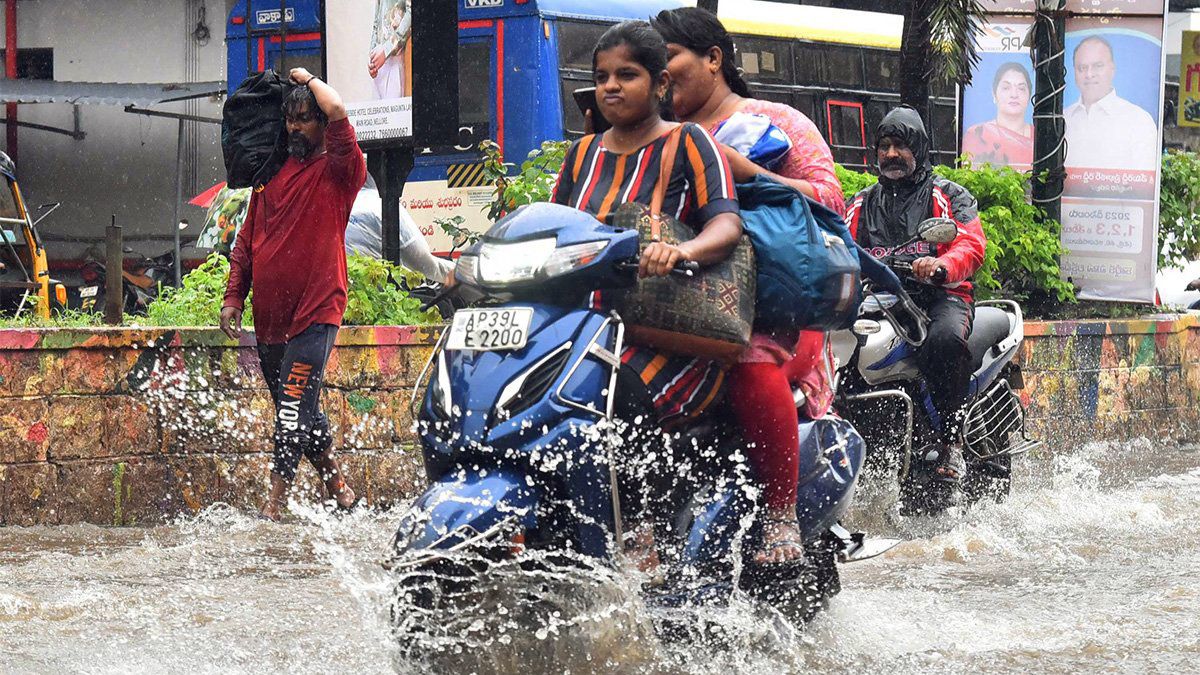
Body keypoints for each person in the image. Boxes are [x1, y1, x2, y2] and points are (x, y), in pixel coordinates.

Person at [651, 6, 842, 564]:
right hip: (672, 301)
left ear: (713, 59)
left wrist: (748, 171)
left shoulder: (775, 120)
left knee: (750, 359)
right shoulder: (650, 136)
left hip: (773, 306)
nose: (657, 79)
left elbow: (828, 201)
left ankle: (780, 513)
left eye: (668, 61)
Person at [550, 20, 742, 564]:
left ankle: (644, 528)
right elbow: (551, 229)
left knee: (615, 389)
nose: (612, 86)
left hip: (666, 332)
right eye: (602, 76)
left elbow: (725, 225)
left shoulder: (689, 141)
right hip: (581, 330)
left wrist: (680, 251)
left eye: (627, 75)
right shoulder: (581, 154)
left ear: (660, 84)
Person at [221, 67, 368, 521]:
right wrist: (232, 298)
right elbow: (246, 243)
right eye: (290, 119)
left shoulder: (341, 171)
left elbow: (340, 108)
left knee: (290, 408)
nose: (295, 128)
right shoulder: (270, 176)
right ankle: (339, 489)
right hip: (270, 321)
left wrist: (305, 78)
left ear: (321, 124)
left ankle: (274, 504)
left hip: (317, 311)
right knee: (301, 407)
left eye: (305, 118)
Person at [845, 106, 987, 485]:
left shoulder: (946, 194)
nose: (891, 154)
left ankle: (950, 441)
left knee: (943, 342)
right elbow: (836, 247)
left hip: (938, 297)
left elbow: (970, 244)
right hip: (880, 301)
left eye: (901, 145)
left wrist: (941, 268)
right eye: (885, 146)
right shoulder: (863, 202)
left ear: (919, 149)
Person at [1064, 36, 1158, 171]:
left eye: (1098, 66)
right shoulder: (1063, 119)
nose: (1089, 74)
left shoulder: (1138, 120)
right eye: (1082, 67)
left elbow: (1144, 181)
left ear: (1112, 69)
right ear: (1074, 72)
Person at [962, 62, 1034, 168]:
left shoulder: (1039, 138)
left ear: (1029, 95)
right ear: (994, 94)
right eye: (1006, 88)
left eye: (1021, 88)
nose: (1014, 94)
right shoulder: (978, 134)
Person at [369, 0, 410, 99]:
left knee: (394, 112)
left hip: (397, 57)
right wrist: (372, 55)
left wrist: (388, 48)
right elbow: (377, 19)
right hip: (379, 62)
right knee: (377, 113)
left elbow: (411, 13)